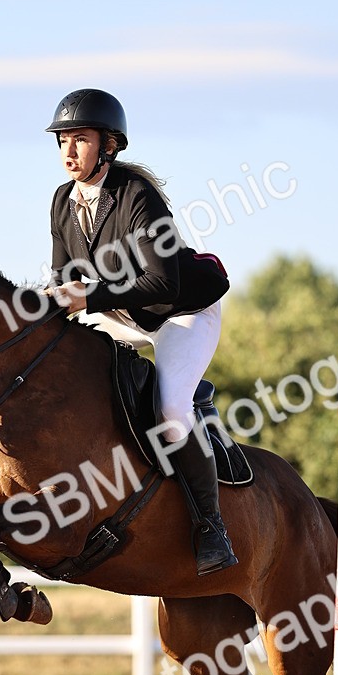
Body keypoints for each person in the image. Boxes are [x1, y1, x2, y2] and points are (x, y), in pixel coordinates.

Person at [44, 87, 238, 576]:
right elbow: (64, 278)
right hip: (121, 314)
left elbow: (162, 283)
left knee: (170, 410)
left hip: (180, 313)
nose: (68, 150)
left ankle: (211, 526)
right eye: (63, 140)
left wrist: (85, 297)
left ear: (108, 144)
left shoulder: (136, 194)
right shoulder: (62, 201)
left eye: (80, 139)